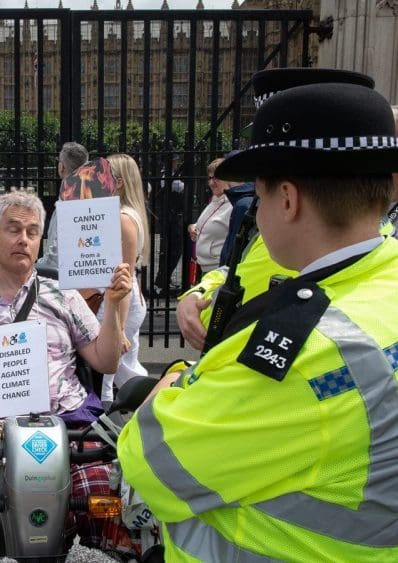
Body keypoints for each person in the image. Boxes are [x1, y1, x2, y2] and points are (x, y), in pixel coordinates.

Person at [118, 79, 398, 560]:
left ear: (288, 200)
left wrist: (180, 380)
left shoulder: (308, 349)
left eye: (261, 197)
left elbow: (151, 462)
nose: (258, 211)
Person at [0, 190, 140, 556]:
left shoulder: (63, 297)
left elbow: (106, 361)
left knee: (112, 514)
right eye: (13, 229)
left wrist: (113, 307)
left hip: (70, 426)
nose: (23, 239)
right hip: (1, 435)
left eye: (32, 232)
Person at [176, 68, 376, 351]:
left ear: (287, 200)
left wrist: (175, 372)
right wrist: (196, 292)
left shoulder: (299, 242)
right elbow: (235, 268)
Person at [96, 154, 151, 403]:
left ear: (117, 182)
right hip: (123, 300)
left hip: (121, 301)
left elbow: (124, 277)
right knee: (125, 368)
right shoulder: (126, 214)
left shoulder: (123, 218)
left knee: (109, 370)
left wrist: (117, 324)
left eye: (103, 175)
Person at [36, 141, 89, 272]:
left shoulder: (68, 202)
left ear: (62, 167)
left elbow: (55, 257)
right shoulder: (94, 197)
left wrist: (34, 268)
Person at [187, 157, 232, 274]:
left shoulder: (233, 205)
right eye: (210, 178)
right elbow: (208, 222)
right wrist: (193, 227)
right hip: (204, 267)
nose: (212, 183)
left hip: (219, 269)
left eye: (216, 178)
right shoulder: (215, 200)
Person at [152, 154, 184, 298]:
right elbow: (180, 187)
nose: (176, 163)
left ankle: (164, 278)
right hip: (169, 218)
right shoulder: (166, 177)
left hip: (172, 217)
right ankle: (162, 280)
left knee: (172, 250)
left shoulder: (172, 176)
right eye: (175, 161)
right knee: (170, 250)